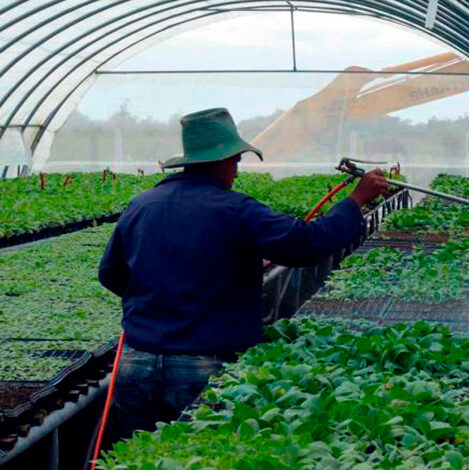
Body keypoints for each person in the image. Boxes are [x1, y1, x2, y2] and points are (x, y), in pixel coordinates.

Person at [98, 107, 388, 444]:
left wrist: (162, 303)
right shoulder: (235, 210)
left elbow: (111, 274)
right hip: (201, 367)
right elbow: (305, 244)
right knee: (202, 456)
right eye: (235, 162)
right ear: (221, 161)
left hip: (136, 365)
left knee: (138, 458)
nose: (236, 171)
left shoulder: (141, 205)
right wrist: (355, 201)